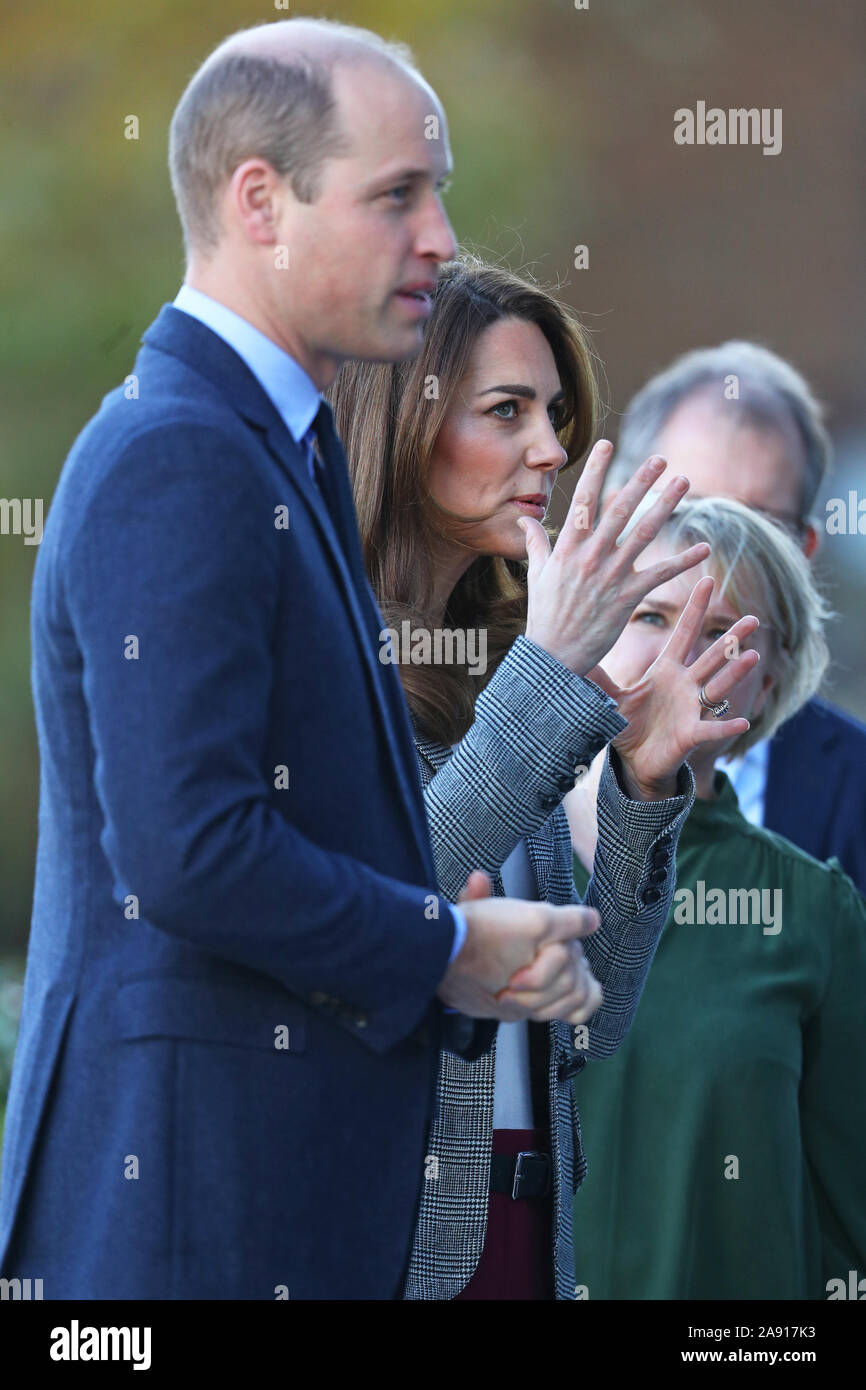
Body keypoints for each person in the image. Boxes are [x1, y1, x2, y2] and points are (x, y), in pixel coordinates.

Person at [0, 19, 601, 1303]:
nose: (439, 237)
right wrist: (443, 942)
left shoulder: (278, 451)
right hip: (187, 1223)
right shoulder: (181, 451)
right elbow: (188, 850)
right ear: (259, 201)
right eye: (397, 195)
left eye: (434, 192)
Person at [328, 259, 761, 1299]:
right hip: (396, 1244)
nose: (549, 447)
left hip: (530, 1235)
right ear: (402, 427)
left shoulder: (511, 671)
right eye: (506, 409)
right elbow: (380, 905)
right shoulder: (329, 658)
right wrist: (549, 672)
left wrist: (640, 783)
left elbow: (588, 1019)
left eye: (554, 412)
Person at [566, 497, 866, 1300]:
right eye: (652, 613)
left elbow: (851, 1217)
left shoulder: (815, 910)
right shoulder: (495, 855)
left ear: (770, 684)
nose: (676, 655)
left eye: (720, 632)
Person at [605, 341, 866, 891]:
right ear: (617, 519)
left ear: (804, 552)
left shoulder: (855, 788)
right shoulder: (512, 749)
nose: (718, 557)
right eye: (687, 513)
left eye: (758, 527)